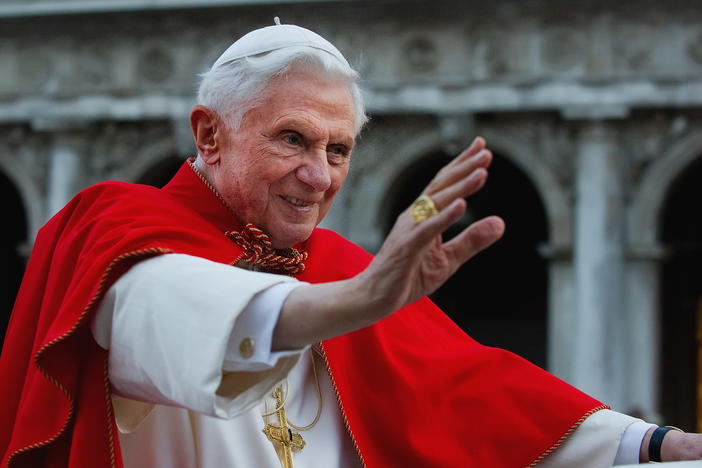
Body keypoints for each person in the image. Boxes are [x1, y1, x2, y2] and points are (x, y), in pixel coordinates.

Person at [1, 19, 701, 468]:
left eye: (339, 149)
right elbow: (167, 310)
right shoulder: (116, 226)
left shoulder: (337, 268)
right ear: (210, 134)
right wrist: (358, 299)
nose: (319, 175)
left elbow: (471, 393)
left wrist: (655, 443)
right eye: (293, 139)